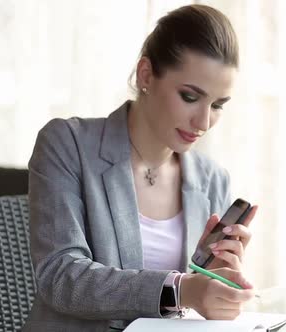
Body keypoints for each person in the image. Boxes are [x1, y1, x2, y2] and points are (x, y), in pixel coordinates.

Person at [23, 5, 258, 332]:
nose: (203, 122)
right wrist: (181, 289)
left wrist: (212, 282)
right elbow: (61, 277)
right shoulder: (68, 144)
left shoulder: (212, 179)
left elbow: (188, 305)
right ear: (146, 75)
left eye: (217, 105)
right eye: (190, 96)